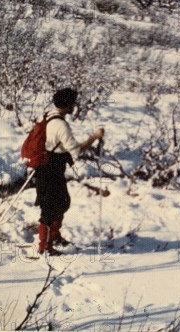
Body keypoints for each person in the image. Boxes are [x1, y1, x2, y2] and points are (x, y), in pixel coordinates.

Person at [35, 88, 104, 255]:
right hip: (50, 169)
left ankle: (55, 237)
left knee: (62, 203)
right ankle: (45, 247)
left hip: (47, 168)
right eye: (73, 103)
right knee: (51, 208)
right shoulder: (60, 124)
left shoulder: (48, 116)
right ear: (67, 105)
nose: (75, 106)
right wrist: (94, 137)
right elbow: (76, 151)